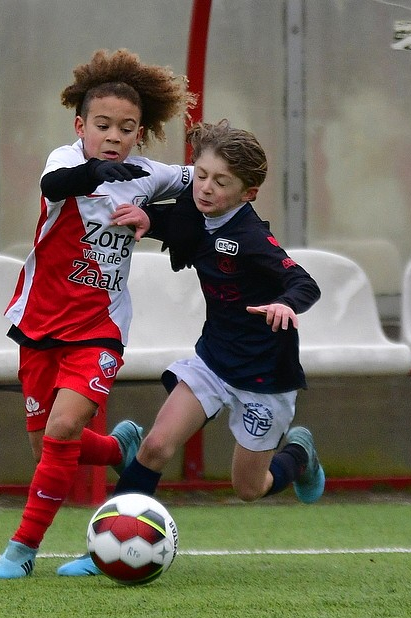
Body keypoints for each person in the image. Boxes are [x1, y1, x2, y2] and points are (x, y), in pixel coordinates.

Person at [57, 120, 324, 577]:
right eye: (200, 175)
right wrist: (148, 220)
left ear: (248, 193)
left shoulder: (251, 238)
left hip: (264, 376)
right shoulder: (193, 209)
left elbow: (303, 282)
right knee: (155, 446)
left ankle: (299, 457)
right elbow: (179, 224)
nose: (205, 188)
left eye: (221, 182)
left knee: (248, 488)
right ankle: (104, 549)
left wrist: (284, 303)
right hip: (213, 361)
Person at [0, 49, 194, 579]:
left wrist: (156, 214)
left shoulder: (148, 174)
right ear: (81, 127)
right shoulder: (64, 162)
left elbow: (205, 186)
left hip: (100, 329)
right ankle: (118, 447)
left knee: (61, 428)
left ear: (139, 133)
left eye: (126, 129)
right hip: (38, 322)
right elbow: (53, 187)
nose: (113, 136)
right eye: (102, 125)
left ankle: (22, 550)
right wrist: (96, 171)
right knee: (45, 445)